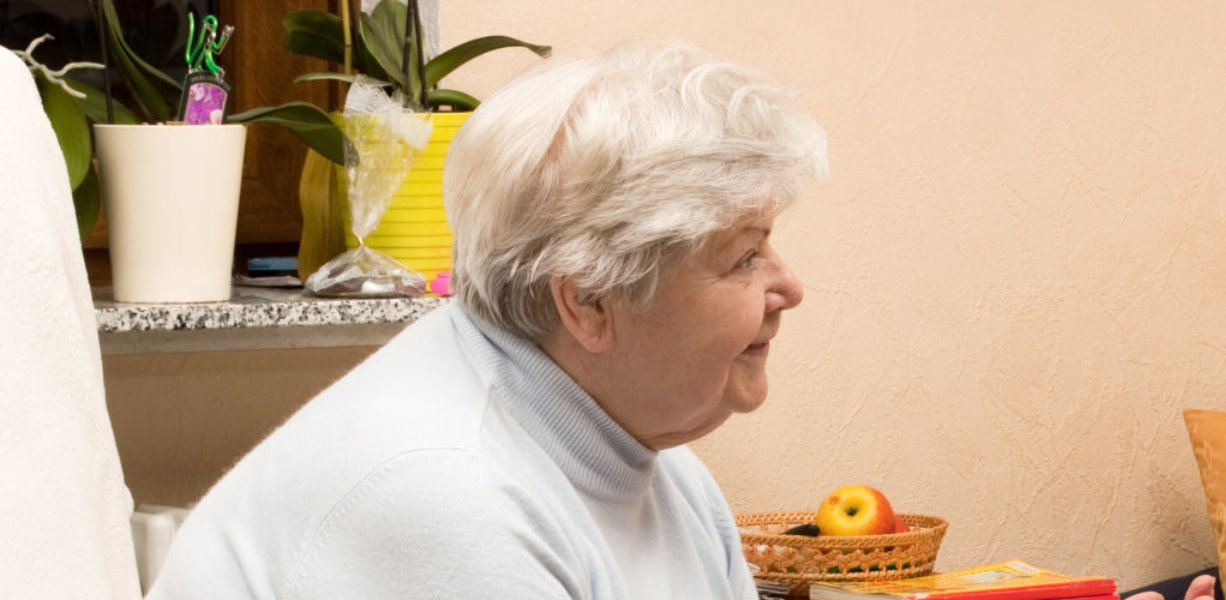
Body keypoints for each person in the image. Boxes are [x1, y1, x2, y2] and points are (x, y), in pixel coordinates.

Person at [147, 41, 824, 598]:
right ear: (588, 301)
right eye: (743, 256)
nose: (787, 286)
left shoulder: (662, 472)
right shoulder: (448, 492)